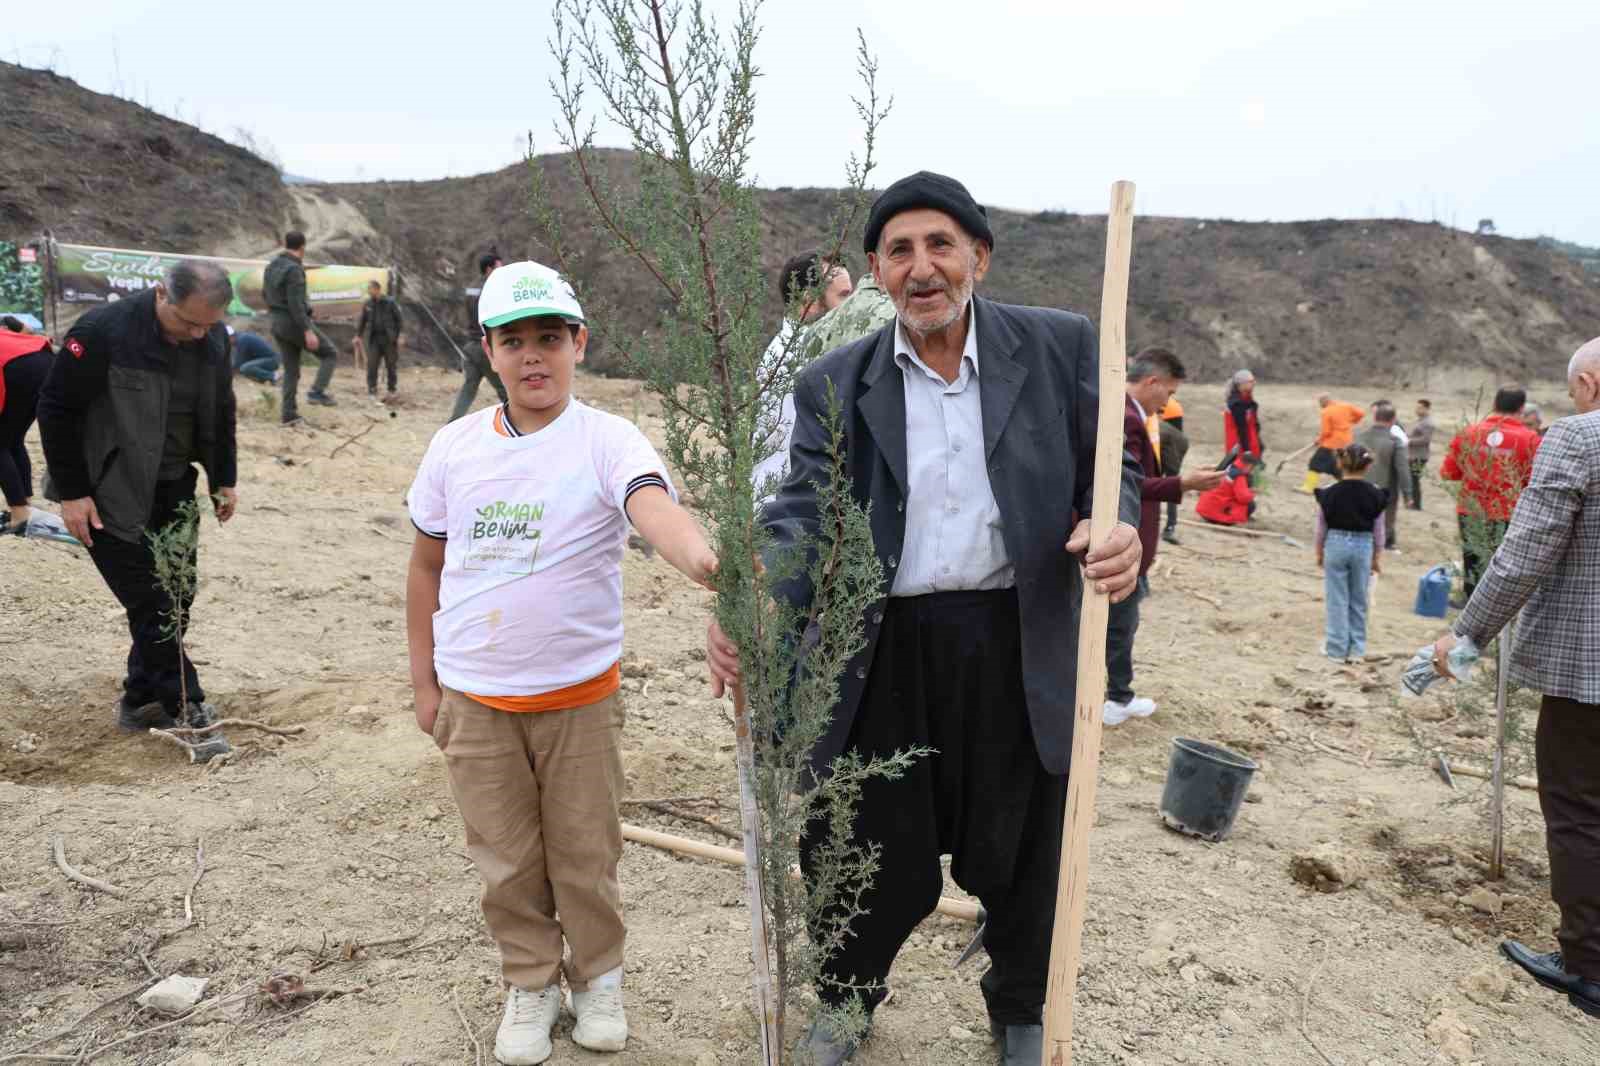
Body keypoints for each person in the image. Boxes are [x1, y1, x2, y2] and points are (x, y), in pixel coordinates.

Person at [705, 171, 1143, 1066]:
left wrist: (1118, 524)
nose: (922, 267)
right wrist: (752, 597)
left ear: (979, 256)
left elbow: (1113, 465)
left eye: (940, 244)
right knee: (859, 838)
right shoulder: (834, 381)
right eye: (899, 251)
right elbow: (803, 514)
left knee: (1027, 842)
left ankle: (1020, 1007)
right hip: (883, 646)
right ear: (876, 271)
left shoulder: (1058, 347)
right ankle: (845, 1001)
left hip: (1015, 636)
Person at [406, 260, 717, 1066]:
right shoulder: (454, 447)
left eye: (550, 338)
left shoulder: (607, 440)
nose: (533, 356)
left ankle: (599, 979)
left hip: (579, 698)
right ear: (489, 352)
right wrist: (424, 681)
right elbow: (427, 567)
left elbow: (654, 509)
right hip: (476, 698)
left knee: (585, 853)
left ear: (580, 343)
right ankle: (531, 982)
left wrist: (706, 563)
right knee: (506, 858)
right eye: (514, 341)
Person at [1432, 339, 1600, 1019]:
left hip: (1589, 669)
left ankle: (1588, 965)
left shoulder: (1579, 438)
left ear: (1590, 383)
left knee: (1580, 808)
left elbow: (1524, 551)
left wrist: (1467, 632)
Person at [37, 260, 238, 757]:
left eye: (207, 325)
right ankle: (188, 709)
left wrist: (224, 479)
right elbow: (56, 409)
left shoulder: (211, 338)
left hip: (174, 487)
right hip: (108, 492)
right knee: (153, 605)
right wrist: (73, 492)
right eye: (188, 322)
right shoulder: (103, 331)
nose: (197, 334)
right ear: (161, 294)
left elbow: (222, 410)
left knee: (178, 598)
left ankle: (142, 699)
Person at [1103, 348, 1223, 726]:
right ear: (1152, 382)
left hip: (1133, 544)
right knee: (1118, 627)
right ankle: (1115, 698)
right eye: (1169, 393)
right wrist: (1183, 483)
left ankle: (1117, 694)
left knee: (1122, 623)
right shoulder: (1125, 418)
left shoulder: (1135, 415)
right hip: (1123, 542)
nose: (1169, 403)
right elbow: (1126, 483)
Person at [750, 250, 853, 497]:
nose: (853, 306)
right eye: (844, 296)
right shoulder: (802, 360)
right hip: (791, 504)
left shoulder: (792, 349)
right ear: (810, 301)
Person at [1440, 385, 1541, 603]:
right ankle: (1496, 608)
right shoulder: (1530, 439)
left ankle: (1468, 603)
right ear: (1521, 408)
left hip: (1470, 509)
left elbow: (1448, 472)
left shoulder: (1469, 433)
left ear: (1494, 404)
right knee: (1502, 565)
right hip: (1507, 512)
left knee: (1472, 558)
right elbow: (1534, 481)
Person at [1314, 444, 1386, 662]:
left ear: (1339, 463)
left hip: (1335, 544)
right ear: (1368, 466)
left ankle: (1336, 649)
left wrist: (1319, 552)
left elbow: (1321, 527)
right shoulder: (1375, 493)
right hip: (1363, 546)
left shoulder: (1328, 493)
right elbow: (1379, 530)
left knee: (1336, 598)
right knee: (1359, 598)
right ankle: (1357, 650)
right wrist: (1376, 556)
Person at [263, 230, 338, 423]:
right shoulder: (294, 269)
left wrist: (308, 311)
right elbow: (295, 304)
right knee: (330, 353)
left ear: (285, 244)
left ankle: (288, 414)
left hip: (277, 322)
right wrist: (307, 329)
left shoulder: (271, 266)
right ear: (303, 247)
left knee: (291, 370)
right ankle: (317, 392)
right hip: (293, 323)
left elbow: (266, 295)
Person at [0, 326, 53, 534]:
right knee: (12, 439)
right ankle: (25, 504)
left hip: (16, 367)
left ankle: (20, 513)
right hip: (43, 358)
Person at [449, 253, 511, 422]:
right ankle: (519, 423)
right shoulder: (493, 290)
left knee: (469, 388)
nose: (502, 270)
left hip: (471, 347)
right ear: (489, 269)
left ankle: (453, 423)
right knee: (504, 388)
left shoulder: (471, 288)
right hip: (485, 347)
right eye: (499, 267)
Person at [1354, 400, 1411, 552]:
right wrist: (1408, 494)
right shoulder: (1395, 441)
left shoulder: (1359, 436)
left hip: (1360, 483)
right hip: (1386, 487)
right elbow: (1402, 468)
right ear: (1393, 420)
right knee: (1386, 517)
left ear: (1375, 417)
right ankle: (1384, 543)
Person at [1299, 394, 1365, 494]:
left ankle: (1308, 487)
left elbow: (1326, 432)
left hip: (1331, 443)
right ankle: (1350, 489)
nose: (1320, 405)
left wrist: (1319, 440)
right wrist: (1351, 422)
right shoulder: (1346, 406)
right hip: (1346, 442)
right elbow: (1361, 414)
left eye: (1320, 402)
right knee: (1338, 468)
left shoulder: (1326, 412)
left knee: (1315, 463)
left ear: (1323, 402)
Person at [357, 279, 404, 403]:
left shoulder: (390, 302)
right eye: (368, 289)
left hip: (389, 339)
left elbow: (399, 320)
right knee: (371, 365)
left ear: (377, 289)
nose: (368, 291)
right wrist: (358, 335)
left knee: (391, 365)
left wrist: (401, 336)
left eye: (370, 289)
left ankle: (391, 389)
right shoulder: (368, 304)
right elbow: (362, 320)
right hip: (374, 339)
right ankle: (372, 390)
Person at [1157, 394, 1188, 544]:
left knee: (1165, 485)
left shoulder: (1166, 404)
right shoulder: (1172, 402)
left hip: (1167, 445)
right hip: (1173, 444)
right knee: (1170, 485)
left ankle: (1169, 526)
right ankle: (1170, 526)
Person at [1195, 459, 1256, 526]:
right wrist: (1251, 492)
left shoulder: (1223, 468)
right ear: (1249, 465)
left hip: (1203, 511)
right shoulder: (1239, 475)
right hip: (1217, 515)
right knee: (1251, 504)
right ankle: (1230, 519)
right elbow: (1244, 498)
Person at [1223, 369, 1263, 465]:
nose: (1254, 383)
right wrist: (1247, 451)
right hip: (1240, 446)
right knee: (1239, 471)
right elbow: (1241, 428)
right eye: (1250, 381)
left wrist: (1259, 444)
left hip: (1250, 444)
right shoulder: (1236, 404)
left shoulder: (1249, 402)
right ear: (1241, 384)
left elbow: (1254, 425)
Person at [1405, 398, 1435, 510]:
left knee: (1414, 479)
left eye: (1420, 408)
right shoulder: (1420, 421)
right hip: (1414, 454)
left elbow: (1425, 439)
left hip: (1419, 455)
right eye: (1417, 407)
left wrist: (1408, 441)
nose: (1417, 410)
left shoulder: (1428, 423)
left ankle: (1416, 504)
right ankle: (1413, 503)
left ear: (1427, 409)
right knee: (1412, 479)